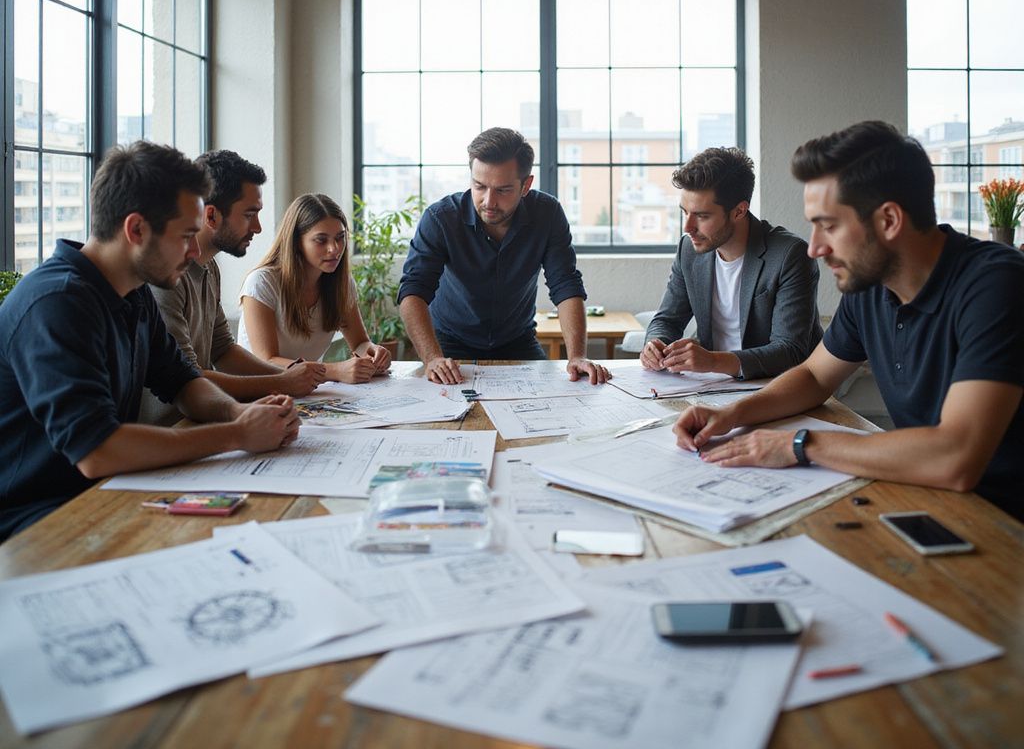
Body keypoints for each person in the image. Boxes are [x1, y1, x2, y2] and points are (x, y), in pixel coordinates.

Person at [673, 121, 1024, 521]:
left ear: (889, 220)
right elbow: (814, 377)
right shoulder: (871, 286)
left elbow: (956, 456)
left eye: (829, 225)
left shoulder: (997, 284)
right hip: (931, 496)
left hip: (1003, 519)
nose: (816, 247)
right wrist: (731, 415)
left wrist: (799, 444)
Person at [0, 142, 300, 542]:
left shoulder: (134, 290)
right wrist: (237, 435)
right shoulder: (57, 303)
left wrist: (237, 413)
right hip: (33, 521)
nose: (196, 251)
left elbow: (181, 380)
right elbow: (98, 450)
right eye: (186, 236)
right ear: (136, 230)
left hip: (107, 494)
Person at [398, 126, 609, 386]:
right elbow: (413, 292)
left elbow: (565, 284)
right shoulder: (440, 219)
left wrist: (577, 356)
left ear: (526, 185)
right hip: (449, 344)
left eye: (503, 190)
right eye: (480, 186)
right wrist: (431, 358)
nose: (489, 201)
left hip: (518, 341)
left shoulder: (548, 214)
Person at [141, 150, 325, 424]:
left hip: (203, 419)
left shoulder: (209, 267)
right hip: (171, 430)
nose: (259, 227)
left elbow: (223, 349)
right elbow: (190, 375)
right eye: (250, 214)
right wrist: (283, 382)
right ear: (212, 216)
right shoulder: (165, 276)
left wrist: (283, 377)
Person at [641, 147, 821, 379]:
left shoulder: (790, 254)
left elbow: (790, 350)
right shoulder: (689, 250)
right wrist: (655, 345)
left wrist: (713, 360)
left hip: (778, 385)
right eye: (685, 212)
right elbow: (667, 320)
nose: (688, 228)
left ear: (739, 211)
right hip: (713, 383)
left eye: (702, 216)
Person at [238, 193, 391, 383]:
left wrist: (372, 353)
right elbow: (266, 361)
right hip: (257, 393)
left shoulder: (342, 282)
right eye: (321, 240)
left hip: (307, 391)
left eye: (340, 237)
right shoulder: (262, 282)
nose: (334, 248)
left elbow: (360, 343)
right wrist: (333, 371)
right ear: (296, 242)